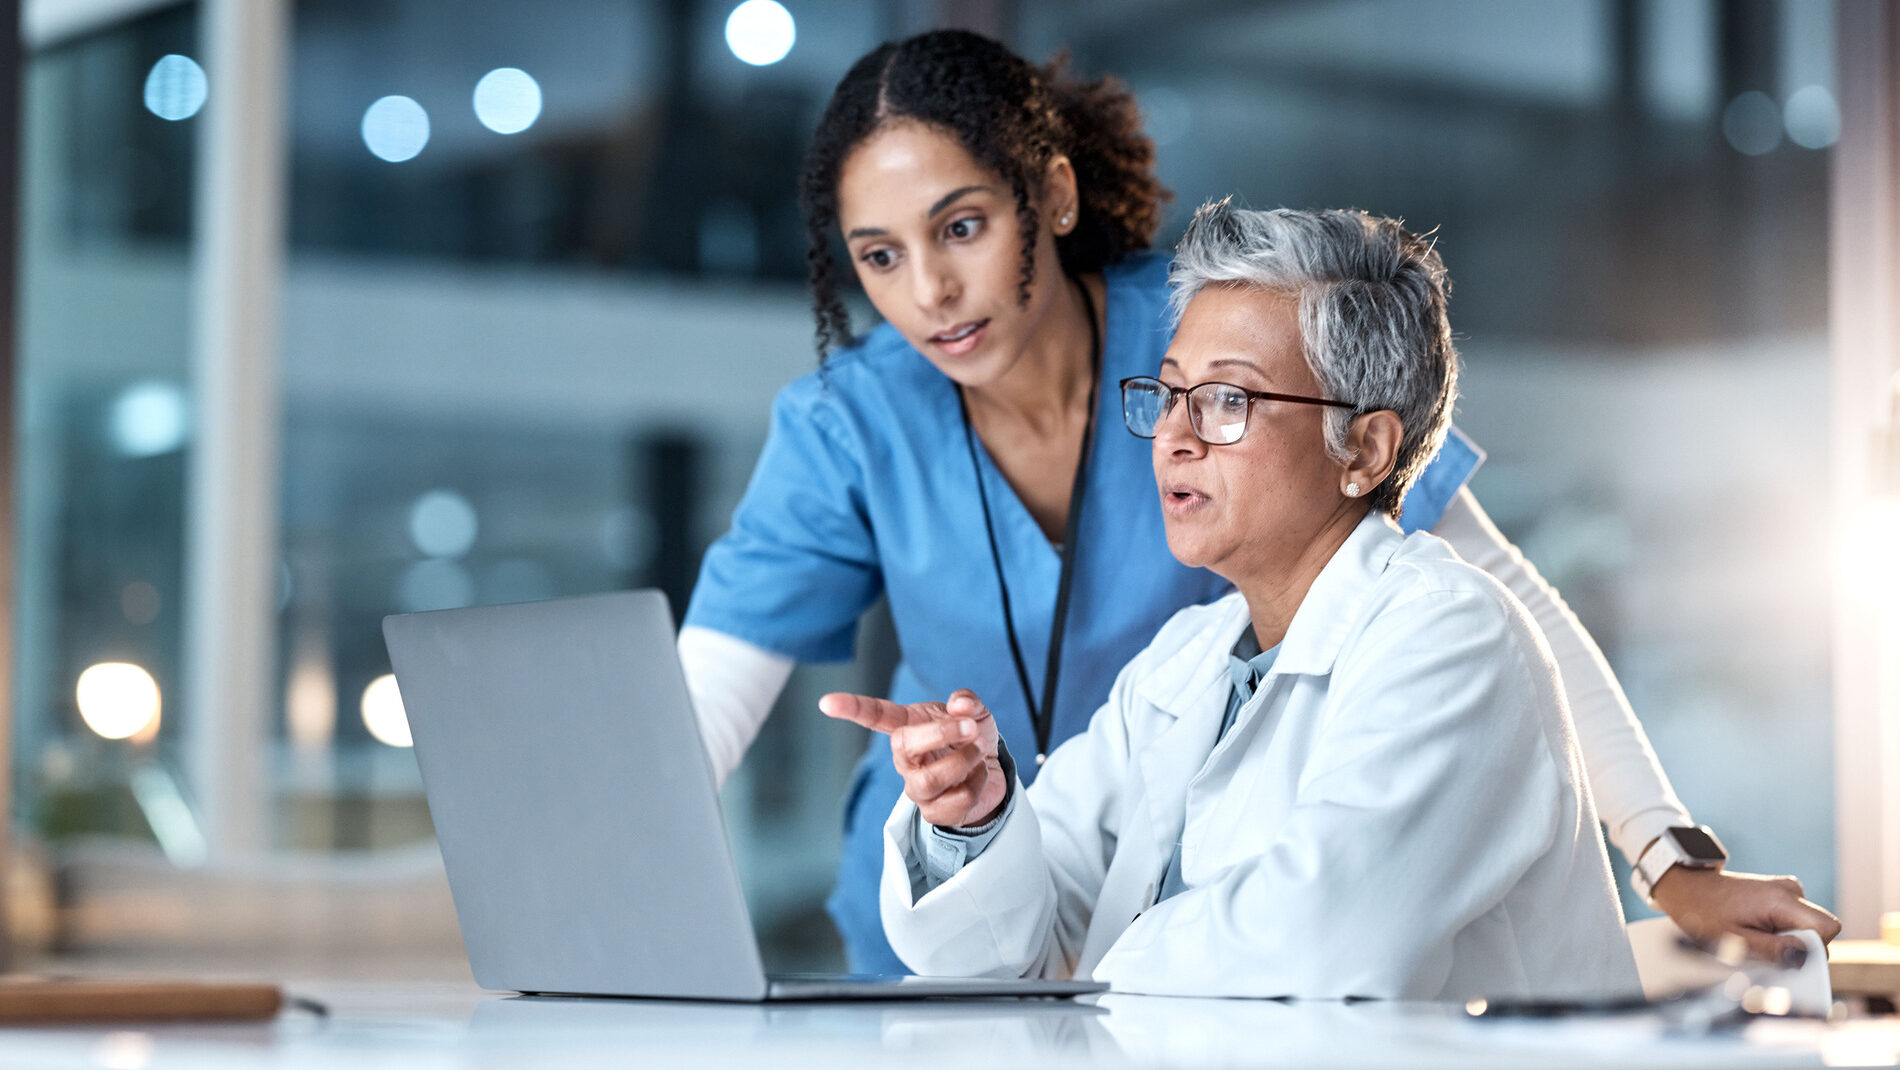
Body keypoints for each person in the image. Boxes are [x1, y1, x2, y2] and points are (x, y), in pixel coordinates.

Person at [679, 29, 1839, 974]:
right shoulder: (859, 423)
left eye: (962, 228)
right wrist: (970, 818)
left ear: (1053, 196)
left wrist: (1665, 852)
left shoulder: (1216, 335)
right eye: (877, 256)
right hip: (1020, 907)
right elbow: (695, 720)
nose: (928, 291)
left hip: (1191, 938)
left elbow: (1504, 600)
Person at [821, 203, 1640, 999]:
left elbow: (1323, 940)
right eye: (1171, 393)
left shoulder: (1451, 636)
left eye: (1227, 401)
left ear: (1364, 448)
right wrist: (976, 822)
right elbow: (1018, 938)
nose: (1175, 435)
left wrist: (1090, 973)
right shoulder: (1190, 656)